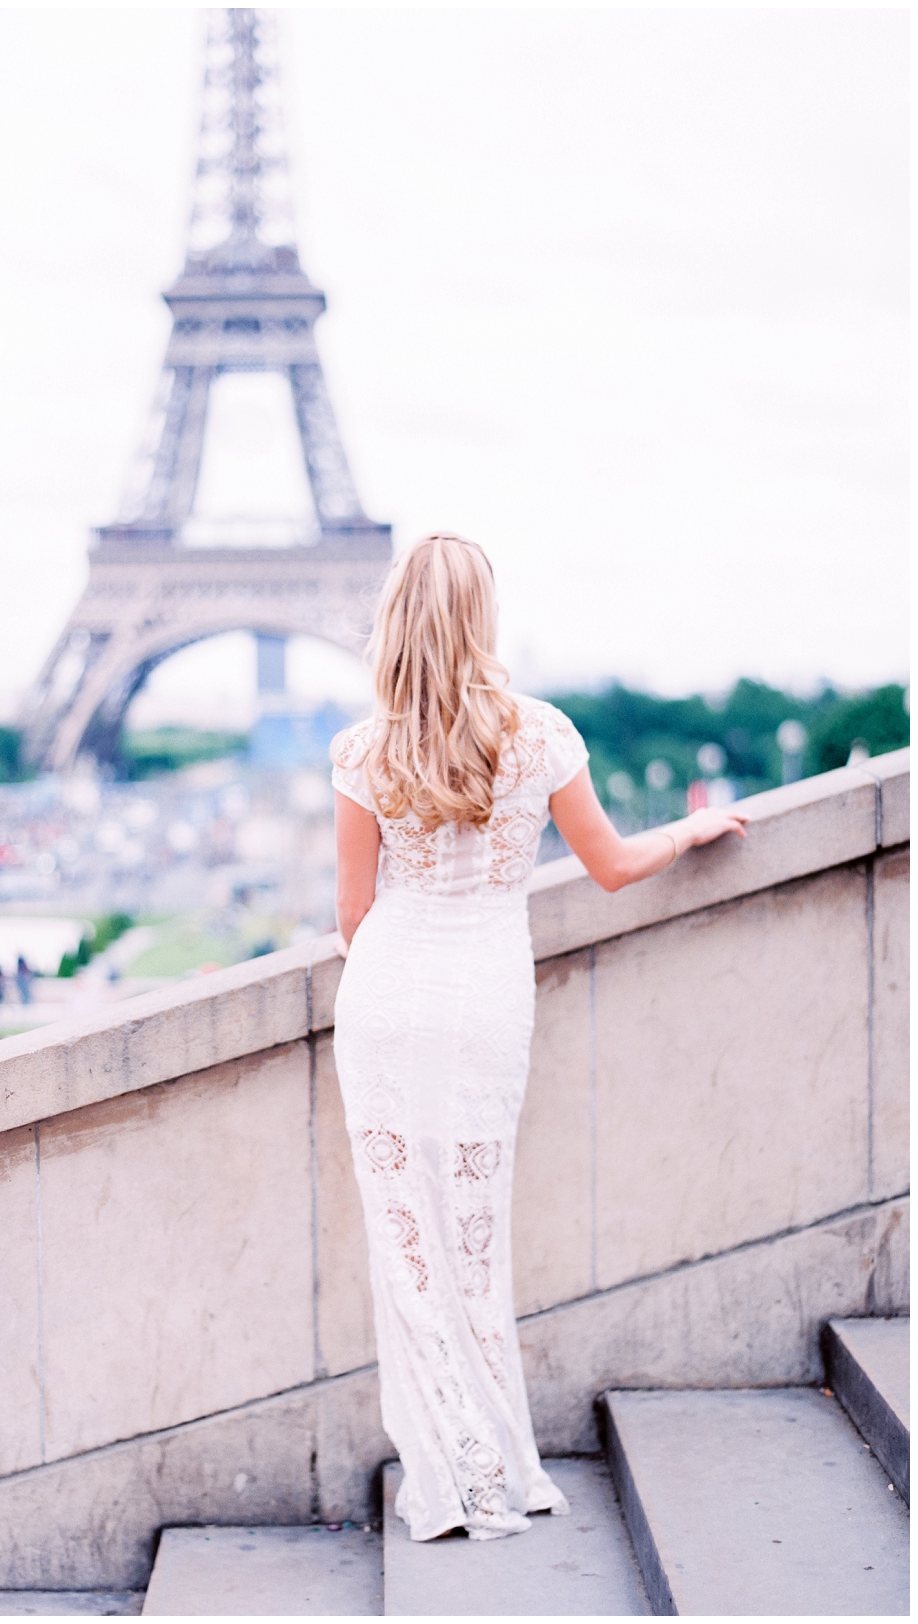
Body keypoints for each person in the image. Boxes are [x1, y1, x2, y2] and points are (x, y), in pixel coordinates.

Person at [330, 534, 747, 1543]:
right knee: (476, 1238)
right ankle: (496, 1465)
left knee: (409, 1248)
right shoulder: (542, 735)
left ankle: (448, 1466)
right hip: (484, 1001)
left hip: (387, 997)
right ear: (483, 614)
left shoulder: (362, 750)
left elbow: (353, 919)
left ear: (395, 618)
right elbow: (606, 865)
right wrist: (688, 832)